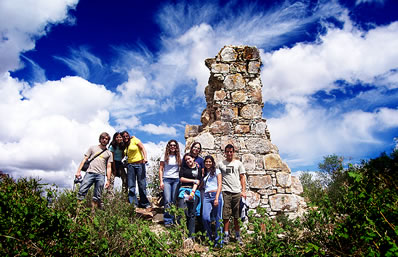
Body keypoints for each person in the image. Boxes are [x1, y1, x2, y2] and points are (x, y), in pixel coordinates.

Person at [217, 144, 246, 245]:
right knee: (226, 215)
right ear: (224, 152)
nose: (229, 153)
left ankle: (237, 235)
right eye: (227, 152)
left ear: (233, 152)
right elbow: (217, 176)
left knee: (236, 216)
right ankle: (226, 235)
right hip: (226, 192)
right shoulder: (221, 164)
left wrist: (243, 191)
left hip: (237, 192)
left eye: (231, 152)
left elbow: (242, 177)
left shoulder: (238, 163)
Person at [75, 132, 113, 209]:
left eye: (106, 139)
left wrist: (108, 180)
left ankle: (93, 213)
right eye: (103, 138)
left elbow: (109, 167)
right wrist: (78, 171)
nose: (104, 140)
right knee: (81, 192)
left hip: (101, 175)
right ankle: (77, 211)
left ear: (108, 141)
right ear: (100, 139)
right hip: (90, 173)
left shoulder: (109, 153)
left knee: (97, 196)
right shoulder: (92, 148)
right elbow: (84, 159)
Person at [122, 131, 151, 208]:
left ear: (129, 135)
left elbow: (142, 148)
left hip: (140, 164)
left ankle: (144, 203)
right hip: (130, 165)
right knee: (131, 185)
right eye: (124, 136)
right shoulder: (124, 145)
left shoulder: (134, 140)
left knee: (142, 184)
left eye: (126, 135)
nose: (125, 137)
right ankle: (134, 203)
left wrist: (145, 158)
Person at [178, 153, 202, 238]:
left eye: (189, 159)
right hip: (184, 190)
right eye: (186, 160)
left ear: (193, 158)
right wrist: (192, 180)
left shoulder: (198, 168)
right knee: (182, 211)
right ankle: (181, 234)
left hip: (193, 191)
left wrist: (192, 193)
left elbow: (198, 181)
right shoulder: (183, 168)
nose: (188, 161)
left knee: (192, 214)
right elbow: (181, 178)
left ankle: (191, 236)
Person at [159, 139, 181, 227]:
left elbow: (183, 167)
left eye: (174, 145)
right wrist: (161, 181)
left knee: (174, 200)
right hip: (167, 179)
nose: (173, 147)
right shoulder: (164, 156)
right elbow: (161, 170)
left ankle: (174, 219)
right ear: (168, 146)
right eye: (171, 145)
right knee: (167, 200)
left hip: (176, 180)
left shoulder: (179, 157)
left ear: (176, 147)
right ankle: (168, 221)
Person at [202, 155, 223, 245]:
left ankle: (218, 242)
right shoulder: (205, 173)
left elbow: (220, 185)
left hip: (215, 194)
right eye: (206, 161)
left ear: (212, 162)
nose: (208, 163)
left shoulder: (217, 171)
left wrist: (217, 197)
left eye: (210, 161)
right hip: (206, 196)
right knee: (205, 217)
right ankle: (209, 238)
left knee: (218, 218)